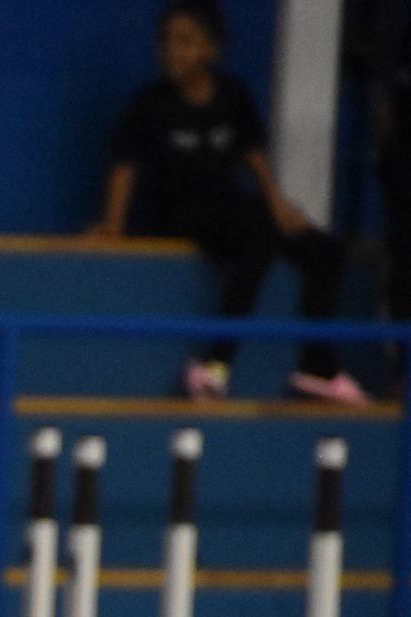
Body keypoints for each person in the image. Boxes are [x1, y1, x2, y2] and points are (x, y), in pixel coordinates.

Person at [95, 1, 367, 404]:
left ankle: (319, 368)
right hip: (181, 213)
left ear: (212, 49)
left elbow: (253, 154)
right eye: (166, 41)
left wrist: (277, 203)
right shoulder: (149, 105)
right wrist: (113, 226)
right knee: (255, 241)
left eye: (185, 41)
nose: (172, 50)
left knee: (325, 251)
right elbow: (125, 167)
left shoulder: (233, 95)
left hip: (232, 205)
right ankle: (215, 365)